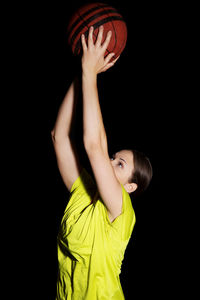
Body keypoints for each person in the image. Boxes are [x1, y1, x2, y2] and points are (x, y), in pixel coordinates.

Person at [51, 26, 152, 300]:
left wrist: (91, 75)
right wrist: (82, 73)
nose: (110, 161)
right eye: (114, 157)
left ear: (130, 187)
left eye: (119, 164)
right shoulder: (82, 193)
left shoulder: (121, 211)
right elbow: (59, 136)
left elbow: (95, 147)